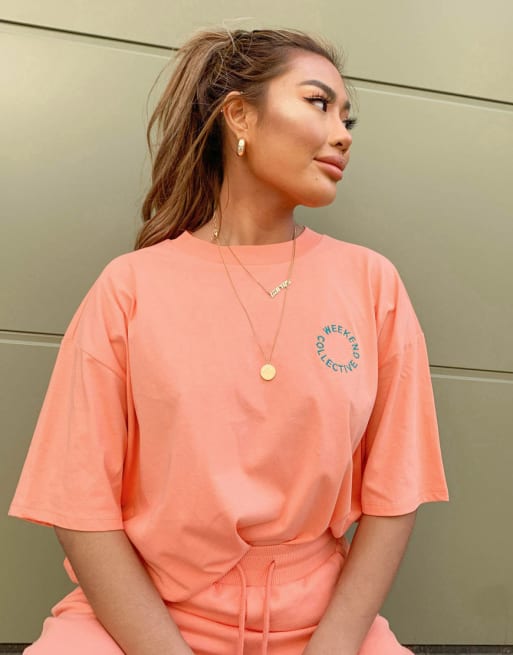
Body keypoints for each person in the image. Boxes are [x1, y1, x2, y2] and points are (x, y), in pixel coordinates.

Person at [9, 28, 449, 655]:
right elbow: (80, 507)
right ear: (239, 115)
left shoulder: (372, 284)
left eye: (348, 118)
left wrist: (332, 647)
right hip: (141, 621)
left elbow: (395, 491)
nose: (344, 134)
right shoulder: (129, 288)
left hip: (321, 624)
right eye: (319, 103)